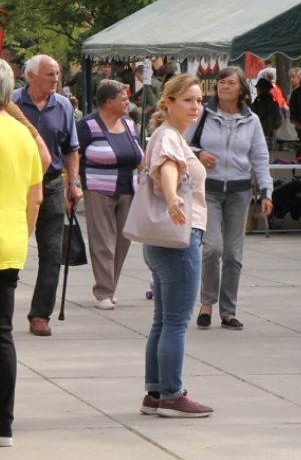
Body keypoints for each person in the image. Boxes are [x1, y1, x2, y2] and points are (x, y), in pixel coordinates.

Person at [139, 75, 212, 418]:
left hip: (163, 239)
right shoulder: (168, 137)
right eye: (188, 100)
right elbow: (167, 171)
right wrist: (171, 198)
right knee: (176, 322)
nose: (196, 107)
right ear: (168, 102)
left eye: (198, 101)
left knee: (162, 321)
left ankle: (155, 392)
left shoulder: (168, 136)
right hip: (179, 238)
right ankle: (172, 394)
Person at [187, 67, 273, 331]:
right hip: (208, 189)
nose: (224, 86)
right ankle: (207, 303)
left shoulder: (252, 120)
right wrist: (199, 153)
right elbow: (181, 144)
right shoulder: (202, 114)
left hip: (239, 191)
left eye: (230, 82)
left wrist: (267, 191)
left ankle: (228, 311)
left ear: (241, 89)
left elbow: (260, 157)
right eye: (221, 82)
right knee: (212, 247)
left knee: (234, 254)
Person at [13, 54, 81, 337]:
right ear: (31, 76)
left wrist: (73, 183)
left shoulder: (63, 106)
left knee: (52, 253)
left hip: (51, 184)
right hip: (15, 186)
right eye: (50, 74)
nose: (56, 79)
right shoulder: (12, 102)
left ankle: (40, 314)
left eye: (57, 74)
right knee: (11, 251)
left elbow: (70, 148)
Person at [0, 59, 44, 446]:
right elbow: (36, 196)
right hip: (10, 242)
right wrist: (23, 234)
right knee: (3, 334)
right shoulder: (22, 134)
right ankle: (4, 425)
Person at [78, 79, 144, 310]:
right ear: (108, 102)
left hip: (128, 187)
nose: (128, 101)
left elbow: (139, 154)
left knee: (123, 241)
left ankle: (110, 286)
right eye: (123, 98)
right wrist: (75, 185)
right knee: (103, 241)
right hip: (99, 187)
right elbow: (76, 155)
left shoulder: (129, 125)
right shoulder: (88, 125)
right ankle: (103, 291)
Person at [251, 77, 283, 147]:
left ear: (259, 89)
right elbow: (278, 122)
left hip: (257, 136)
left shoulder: (257, 103)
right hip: (269, 136)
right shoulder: (274, 104)